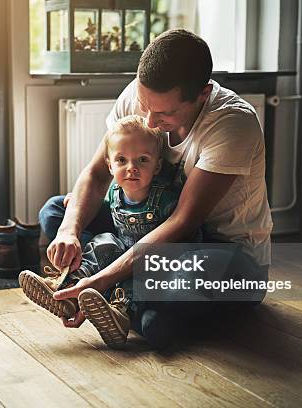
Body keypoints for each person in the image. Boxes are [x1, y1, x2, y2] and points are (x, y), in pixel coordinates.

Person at [41, 29, 273, 348]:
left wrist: (105, 276)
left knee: (168, 309)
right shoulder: (141, 95)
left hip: (221, 252)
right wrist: (69, 231)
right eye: (144, 104)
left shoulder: (233, 123)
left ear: (203, 94)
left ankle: (109, 292)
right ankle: (121, 298)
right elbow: (97, 174)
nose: (149, 120)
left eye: (164, 113)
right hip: (144, 229)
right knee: (56, 212)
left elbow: (182, 223)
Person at [20, 115, 193, 348]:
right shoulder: (114, 192)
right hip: (121, 252)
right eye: (122, 160)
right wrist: (76, 201)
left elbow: (185, 234)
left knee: (140, 287)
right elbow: (95, 198)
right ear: (110, 165)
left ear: (157, 165)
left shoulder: (166, 198)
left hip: (154, 261)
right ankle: (68, 289)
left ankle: (119, 313)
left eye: (142, 160)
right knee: (103, 242)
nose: (131, 168)